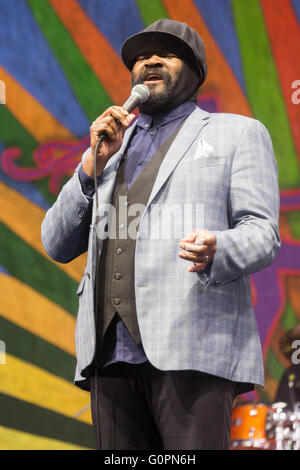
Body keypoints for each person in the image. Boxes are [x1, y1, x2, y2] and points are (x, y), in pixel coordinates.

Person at [41, 19, 280, 450]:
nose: (148, 60)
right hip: (108, 355)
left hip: (193, 347)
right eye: (139, 57)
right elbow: (56, 243)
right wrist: (89, 169)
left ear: (193, 71)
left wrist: (218, 247)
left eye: (165, 54)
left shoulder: (237, 133)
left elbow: (263, 233)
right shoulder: (108, 148)